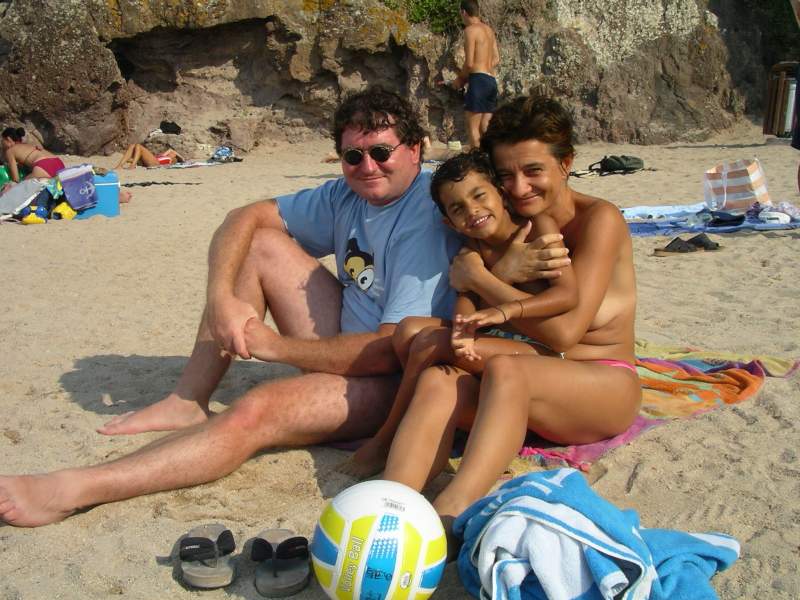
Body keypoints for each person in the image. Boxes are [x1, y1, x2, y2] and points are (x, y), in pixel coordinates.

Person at [0, 86, 487, 527]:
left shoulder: (425, 218)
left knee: (256, 410)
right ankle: (188, 400)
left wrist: (275, 347)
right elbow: (244, 216)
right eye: (352, 156)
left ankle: (72, 489)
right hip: (345, 337)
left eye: (381, 152)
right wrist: (221, 301)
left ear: (415, 149)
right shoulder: (348, 194)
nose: (367, 167)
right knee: (259, 243)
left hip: (396, 380)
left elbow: (388, 350)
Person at [382, 95, 643, 543]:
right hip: (531, 374)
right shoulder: (508, 222)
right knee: (440, 379)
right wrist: (490, 275)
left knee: (505, 369)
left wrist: (483, 280)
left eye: (533, 170)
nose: (519, 188)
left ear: (566, 164)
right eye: (506, 175)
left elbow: (566, 333)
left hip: (600, 382)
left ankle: (451, 515)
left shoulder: (599, 220)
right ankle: (389, 504)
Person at [337, 150, 577, 479]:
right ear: (449, 223)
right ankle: (437, 422)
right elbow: (465, 298)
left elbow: (568, 296)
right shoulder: (472, 251)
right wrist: (464, 329)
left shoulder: (538, 228)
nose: (473, 211)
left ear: (501, 194)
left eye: (479, 196)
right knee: (408, 329)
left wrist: (505, 310)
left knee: (429, 344)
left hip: (542, 348)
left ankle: (388, 435)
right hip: (501, 339)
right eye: (458, 208)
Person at [451, 1, 500, 150]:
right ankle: (491, 156)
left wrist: (460, 79)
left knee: (473, 127)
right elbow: (496, 59)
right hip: (491, 81)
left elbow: (470, 63)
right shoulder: (489, 30)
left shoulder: (470, 31)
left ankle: (477, 160)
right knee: (485, 127)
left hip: (478, 81)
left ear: (464, 12)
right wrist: (484, 67)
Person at [1, 127, 65, 182]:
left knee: (19, 186)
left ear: (8, 139)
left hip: (44, 166)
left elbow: (16, 179)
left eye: (2, 140)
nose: (1, 143)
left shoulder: (10, 151)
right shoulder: (28, 145)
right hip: (58, 163)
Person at [114, 143, 185, 169]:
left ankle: (132, 165)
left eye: (173, 154)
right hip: (152, 161)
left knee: (138, 146)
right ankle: (119, 165)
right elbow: (170, 150)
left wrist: (180, 157)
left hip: (156, 163)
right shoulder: (164, 156)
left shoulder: (171, 159)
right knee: (132, 145)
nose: (171, 153)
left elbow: (172, 150)